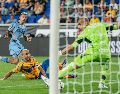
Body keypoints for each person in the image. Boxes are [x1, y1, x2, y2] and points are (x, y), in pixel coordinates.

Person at [58, 17, 111, 88]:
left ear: (85, 23)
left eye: (79, 24)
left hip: (93, 52)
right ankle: (102, 83)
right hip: (106, 53)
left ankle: (56, 77)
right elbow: (115, 26)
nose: (78, 27)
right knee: (105, 67)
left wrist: (61, 52)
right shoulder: (101, 24)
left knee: (75, 63)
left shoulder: (85, 32)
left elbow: (72, 46)